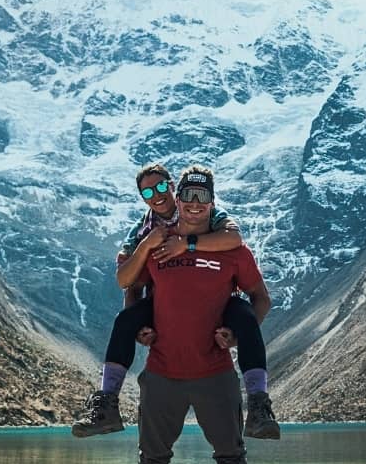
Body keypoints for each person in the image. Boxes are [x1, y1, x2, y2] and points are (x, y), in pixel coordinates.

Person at [72, 163, 279, 439]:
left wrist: (186, 244)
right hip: (163, 303)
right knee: (125, 320)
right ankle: (106, 405)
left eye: (161, 187)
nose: (157, 195)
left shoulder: (211, 214)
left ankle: (258, 406)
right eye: (148, 192)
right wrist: (147, 246)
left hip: (217, 302)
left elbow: (234, 239)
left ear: (172, 188)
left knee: (244, 314)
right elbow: (127, 283)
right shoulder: (143, 230)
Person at [130, 166, 271, 464]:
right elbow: (133, 287)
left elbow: (261, 298)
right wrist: (139, 325)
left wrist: (239, 335)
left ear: (212, 201)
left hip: (215, 373)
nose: (194, 204)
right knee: (151, 459)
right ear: (178, 200)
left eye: (202, 197)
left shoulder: (232, 250)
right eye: (188, 196)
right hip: (162, 372)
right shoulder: (156, 243)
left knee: (232, 457)